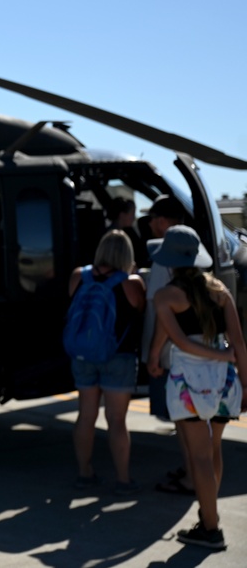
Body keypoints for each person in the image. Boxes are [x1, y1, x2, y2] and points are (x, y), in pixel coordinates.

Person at [147, 225, 247, 550]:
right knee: (213, 450)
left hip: (189, 384)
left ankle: (211, 529)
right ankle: (208, 518)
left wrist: (152, 360)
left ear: (170, 262)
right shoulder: (221, 291)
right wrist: (244, 381)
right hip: (224, 382)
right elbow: (240, 345)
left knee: (198, 456)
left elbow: (174, 340)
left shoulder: (166, 296)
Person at [66, 229, 146, 495]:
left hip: (83, 354)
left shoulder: (79, 275)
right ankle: (123, 480)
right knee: (116, 420)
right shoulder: (132, 283)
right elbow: (140, 312)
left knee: (86, 416)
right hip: (118, 357)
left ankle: (83, 473)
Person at [139, 195, 196, 496]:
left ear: (163, 221)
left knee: (183, 421)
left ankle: (190, 478)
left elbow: (161, 315)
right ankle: (192, 471)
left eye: (153, 218)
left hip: (171, 355)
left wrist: (153, 354)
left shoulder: (164, 260)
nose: (149, 223)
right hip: (192, 354)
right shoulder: (199, 265)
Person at [106, 196, 147, 268]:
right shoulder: (115, 236)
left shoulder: (127, 232)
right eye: (132, 214)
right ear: (122, 215)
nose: (134, 218)